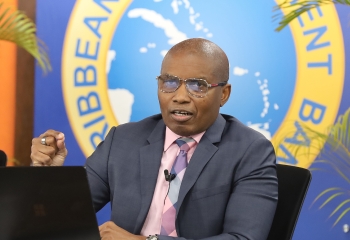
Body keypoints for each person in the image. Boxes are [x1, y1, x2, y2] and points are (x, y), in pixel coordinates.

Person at [31, 38, 278, 240]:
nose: (180, 97)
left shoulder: (250, 150)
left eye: (197, 85)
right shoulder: (123, 140)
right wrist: (47, 175)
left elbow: (244, 238)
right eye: (169, 83)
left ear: (223, 94)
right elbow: (61, 217)